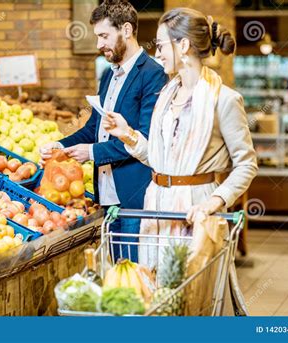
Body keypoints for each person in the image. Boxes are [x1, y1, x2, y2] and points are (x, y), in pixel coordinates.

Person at [103, 8, 258, 267]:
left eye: (162, 45)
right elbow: (158, 158)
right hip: (156, 208)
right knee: (156, 289)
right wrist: (127, 134)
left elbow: (247, 164)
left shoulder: (224, 100)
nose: (158, 53)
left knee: (193, 296)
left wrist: (213, 202)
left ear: (183, 45)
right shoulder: (165, 96)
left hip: (196, 210)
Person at [40, 0, 168, 262]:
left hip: (135, 198)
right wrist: (59, 145)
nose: (99, 45)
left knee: (133, 275)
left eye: (104, 36)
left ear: (127, 30)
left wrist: (92, 152)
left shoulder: (153, 74)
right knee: (114, 275)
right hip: (106, 198)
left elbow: (145, 139)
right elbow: (93, 130)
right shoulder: (108, 76)